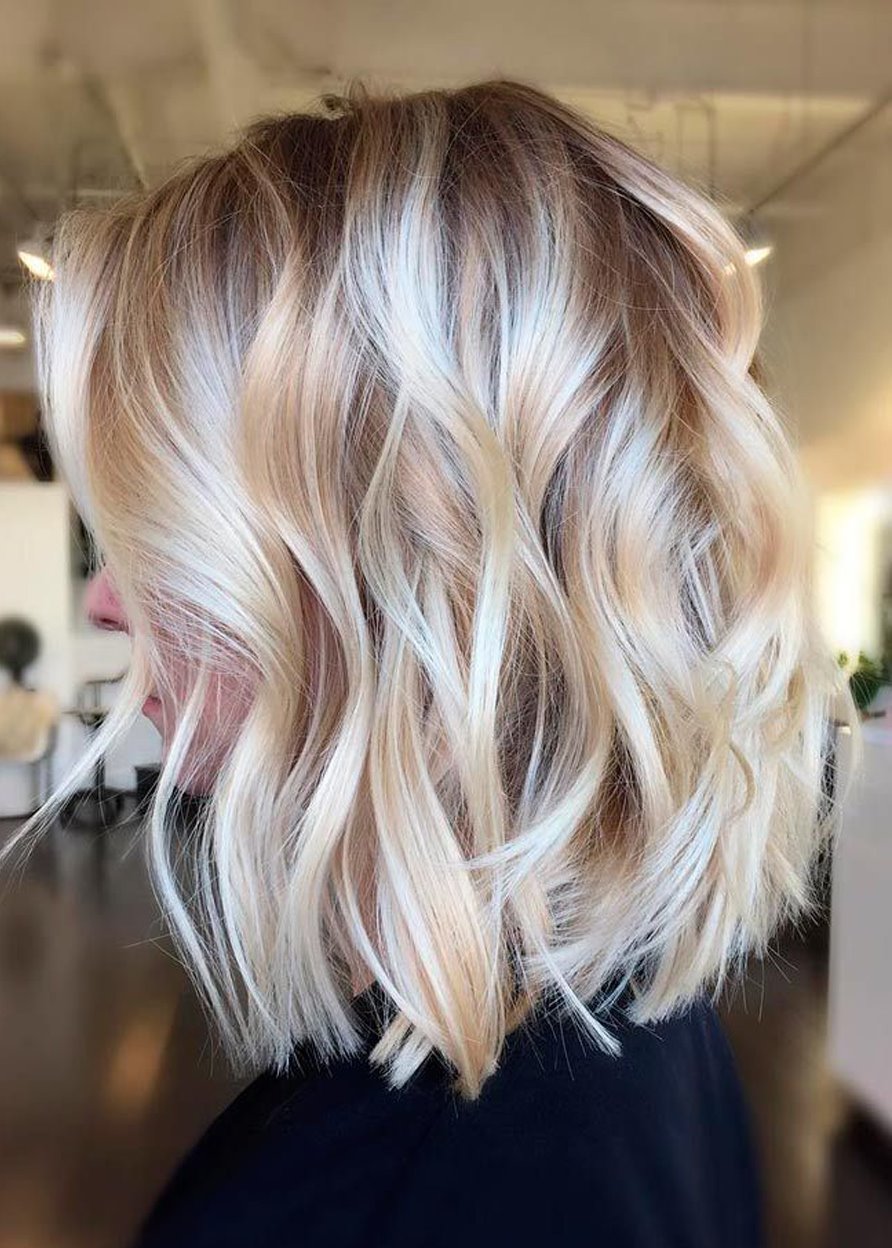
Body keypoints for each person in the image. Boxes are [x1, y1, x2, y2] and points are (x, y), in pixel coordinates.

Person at [16, 78, 856, 1246]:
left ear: (401, 580)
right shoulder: (623, 1017)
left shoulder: (395, 1198)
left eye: (165, 534)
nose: (108, 600)